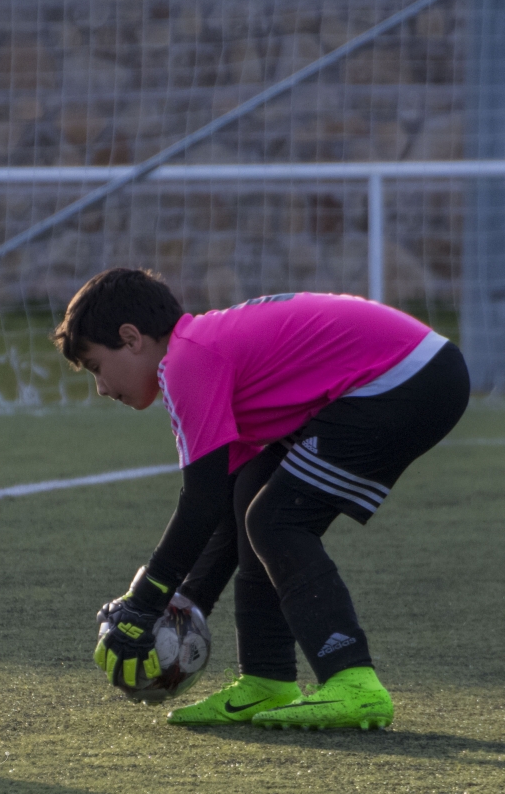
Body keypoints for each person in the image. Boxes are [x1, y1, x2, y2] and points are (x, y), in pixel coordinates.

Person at [52, 268, 468, 730]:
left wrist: (145, 601)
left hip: (408, 380)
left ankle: (354, 682)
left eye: (96, 367)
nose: (101, 388)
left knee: (276, 520)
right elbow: (224, 504)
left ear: (131, 339)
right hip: (415, 372)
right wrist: (185, 603)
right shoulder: (199, 349)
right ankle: (267, 679)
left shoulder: (188, 361)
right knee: (252, 497)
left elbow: (200, 501)